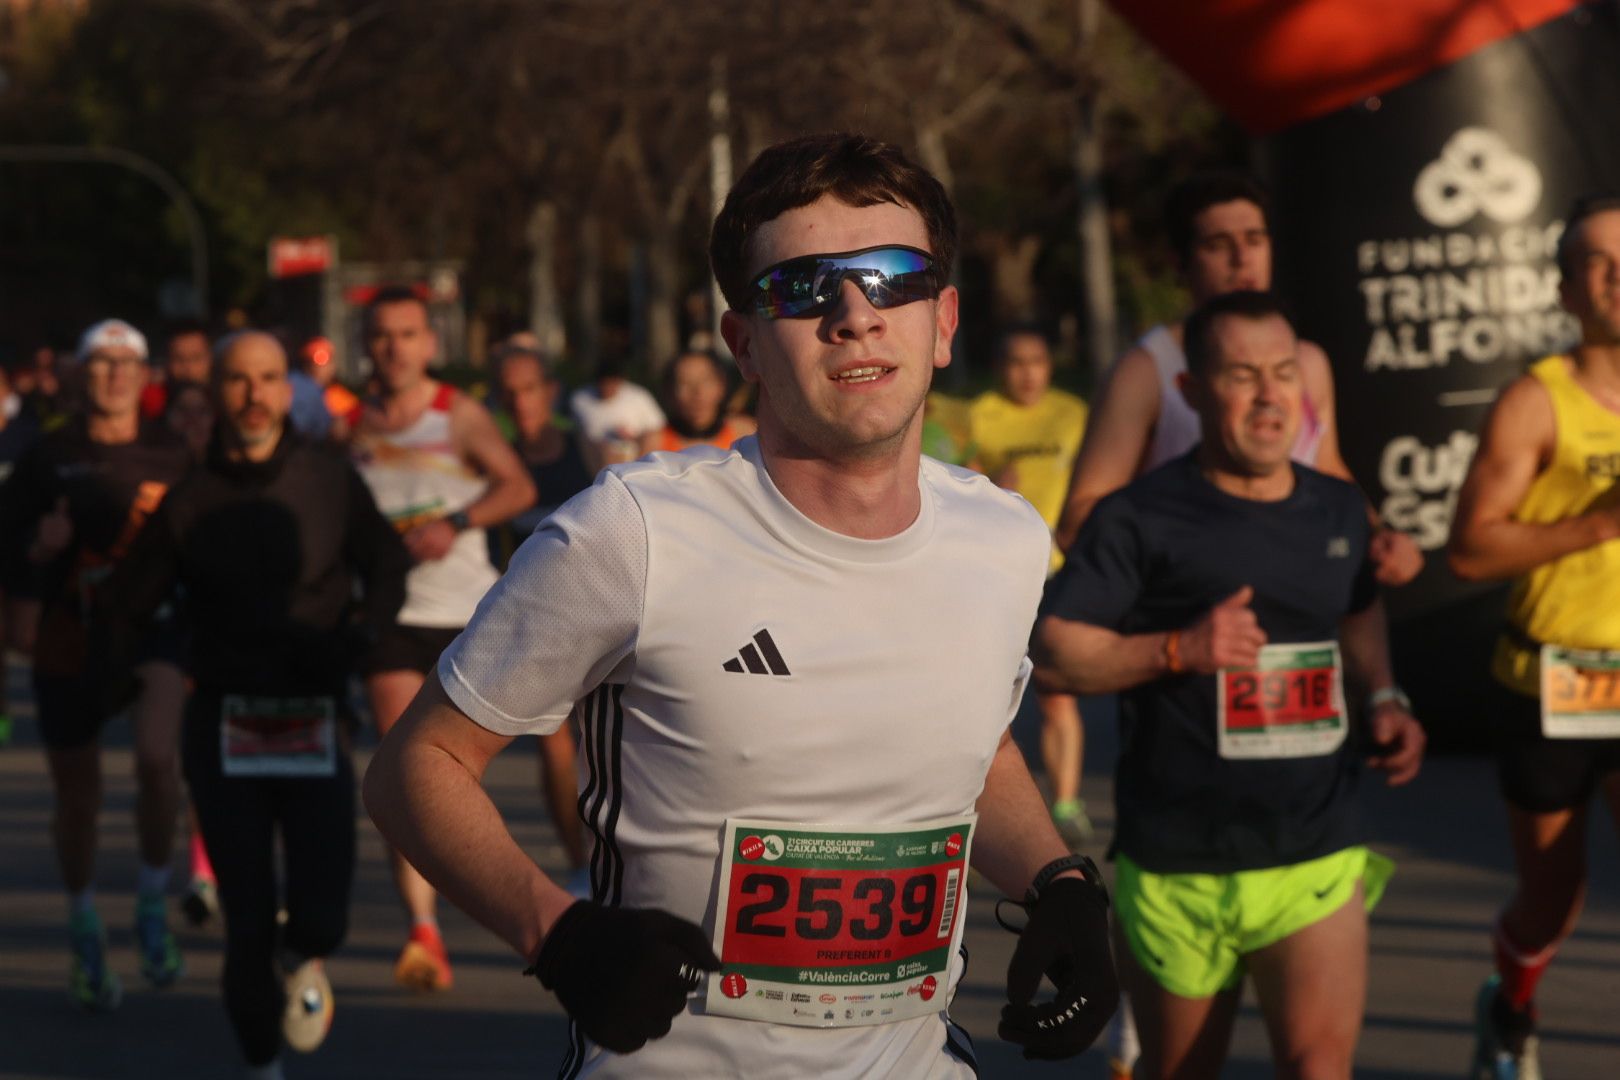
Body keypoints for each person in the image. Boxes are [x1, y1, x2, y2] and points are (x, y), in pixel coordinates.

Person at [365, 132, 1118, 1077]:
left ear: (945, 319)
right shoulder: (631, 533)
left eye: (893, 276)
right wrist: (557, 935)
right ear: (744, 342)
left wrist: (1058, 883)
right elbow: (413, 765)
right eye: (804, 288)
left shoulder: (1005, 540)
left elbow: (973, 738)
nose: (856, 314)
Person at [1034, 290, 1426, 1080]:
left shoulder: (1340, 508)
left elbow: (1356, 607)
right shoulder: (1140, 517)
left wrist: (1383, 695)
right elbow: (1054, 651)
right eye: (1242, 375)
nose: (1270, 394)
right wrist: (1178, 648)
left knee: (1320, 1069)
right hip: (1180, 863)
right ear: (1192, 392)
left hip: (1312, 854)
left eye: (1284, 373)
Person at [95, 330, 410, 1079]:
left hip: (310, 714)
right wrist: (114, 676)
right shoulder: (189, 499)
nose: (255, 394)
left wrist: (365, 635)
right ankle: (260, 1064)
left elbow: (386, 565)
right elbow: (127, 601)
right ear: (216, 392)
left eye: (269, 378)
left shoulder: (329, 481)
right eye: (239, 380)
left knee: (323, 910)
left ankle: (301, 954)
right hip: (226, 722)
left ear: (286, 386)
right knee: (243, 916)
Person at [1447, 193, 1620, 1080]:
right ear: (1565, 289)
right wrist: (1598, 525)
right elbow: (1472, 547)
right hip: (1555, 684)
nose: (1619, 276)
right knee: (1552, 901)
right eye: (1597, 262)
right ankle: (1510, 1003)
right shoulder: (1536, 401)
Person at [1054, 172, 1423, 588]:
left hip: (1304, 612)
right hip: (1194, 624)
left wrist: (1379, 537)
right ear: (1181, 263)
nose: (1241, 259)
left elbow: (1327, 469)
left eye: (1254, 239)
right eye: (1218, 245)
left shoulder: (1308, 361)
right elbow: (1077, 523)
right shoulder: (1145, 371)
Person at [0, 318, 194, 1010]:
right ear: (81, 374)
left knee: (155, 759)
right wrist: (37, 548)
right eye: (101, 363)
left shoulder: (175, 454)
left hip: (152, 631)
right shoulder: (47, 458)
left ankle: (149, 901)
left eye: (126, 363)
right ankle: (83, 918)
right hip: (69, 635)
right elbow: (10, 550)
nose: (113, 374)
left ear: (145, 377)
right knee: (77, 800)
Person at [349, 285, 535, 991]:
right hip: (391, 618)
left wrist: (454, 525)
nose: (394, 347)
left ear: (430, 344)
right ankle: (422, 929)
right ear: (366, 343)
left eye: (407, 335)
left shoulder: (455, 415)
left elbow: (515, 488)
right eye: (382, 335)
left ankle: (510, 898)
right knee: (403, 766)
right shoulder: (354, 426)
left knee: (455, 776)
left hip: (465, 614)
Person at [969, 326, 1092, 844]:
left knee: (1058, 692)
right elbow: (956, 480)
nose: (1027, 373)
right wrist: (990, 483)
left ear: (1050, 365)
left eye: (1037, 361)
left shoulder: (1074, 414)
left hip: (1058, 567)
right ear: (1001, 368)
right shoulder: (978, 414)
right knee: (988, 698)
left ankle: (1064, 805)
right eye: (1016, 362)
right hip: (998, 569)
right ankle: (975, 809)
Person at [493, 342, 596, 896]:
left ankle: (610, 856)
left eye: (529, 389)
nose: (520, 402)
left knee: (601, 743)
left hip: (591, 611)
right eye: (508, 394)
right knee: (555, 744)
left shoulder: (585, 450)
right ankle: (578, 863)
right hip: (527, 622)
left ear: (549, 393)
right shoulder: (496, 460)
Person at [641, 349, 756, 454]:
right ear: (670, 392)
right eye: (685, 383)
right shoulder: (655, 445)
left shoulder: (744, 434)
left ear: (721, 386)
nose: (697, 393)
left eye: (705, 381)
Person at [569, 353, 665, 465]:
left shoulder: (639, 396)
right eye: (604, 383)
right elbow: (575, 433)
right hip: (596, 457)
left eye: (612, 383)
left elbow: (656, 429)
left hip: (634, 453)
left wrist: (633, 437)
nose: (608, 388)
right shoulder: (580, 399)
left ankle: (641, 470)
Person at [141, 317, 213, 420]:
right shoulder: (150, 403)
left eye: (196, 358)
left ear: (210, 358)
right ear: (166, 361)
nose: (188, 368)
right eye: (178, 359)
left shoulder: (225, 401)